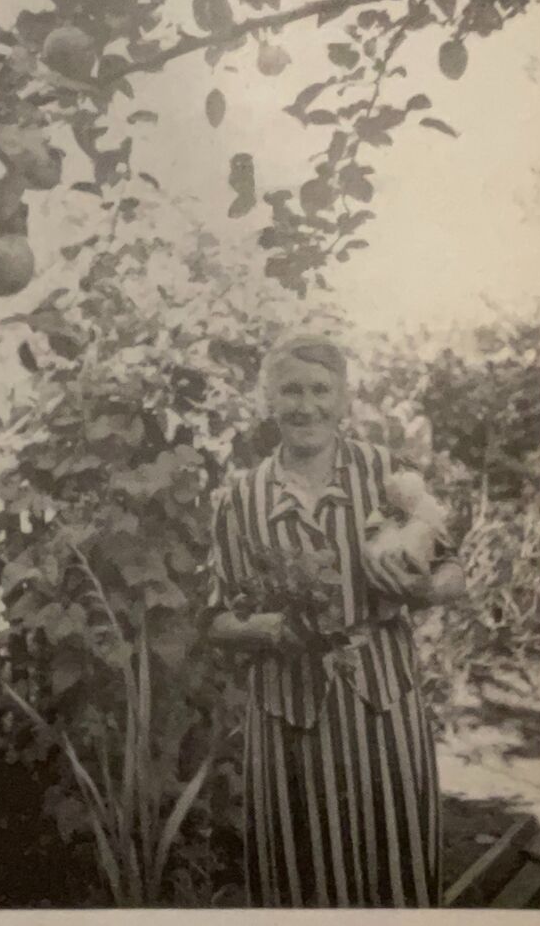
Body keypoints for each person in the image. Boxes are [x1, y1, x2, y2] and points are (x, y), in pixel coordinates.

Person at [206, 331, 465, 909]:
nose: (307, 406)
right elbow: (216, 616)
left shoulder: (386, 474)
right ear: (269, 399)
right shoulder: (242, 498)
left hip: (383, 703)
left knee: (394, 870)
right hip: (286, 715)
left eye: (321, 390)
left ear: (344, 397)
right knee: (299, 880)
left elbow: (455, 572)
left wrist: (423, 588)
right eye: (291, 391)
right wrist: (263, 629)